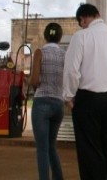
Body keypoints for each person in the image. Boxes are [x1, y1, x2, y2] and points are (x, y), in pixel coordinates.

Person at [63, 3, 107, 180]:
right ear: (98, 14)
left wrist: (69, 96)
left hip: (88, 99)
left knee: (90, 150)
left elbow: (71, 70)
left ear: (82, 19)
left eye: (81, 22)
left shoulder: (81, 36)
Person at [30, 22, 65, 180]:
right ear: (59, 37)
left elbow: (35, 80)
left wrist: (31, 82)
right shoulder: (64, 54)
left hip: (42, 102)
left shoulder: (39, 52)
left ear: (45, 36)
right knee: (52, 146)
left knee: (42, 149)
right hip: (58, 104)